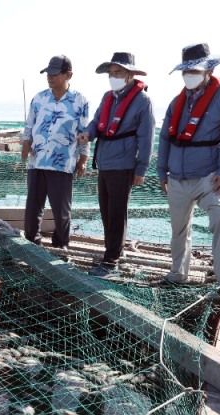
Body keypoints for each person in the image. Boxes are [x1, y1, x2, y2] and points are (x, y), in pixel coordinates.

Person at [156, 43, 220, 307]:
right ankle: (177, 274)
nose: (189, 75)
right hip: (177, 177)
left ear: (209, 70)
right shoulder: (176, 102)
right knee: (179, 229)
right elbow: (164, 138)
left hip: (208, 177)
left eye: (194, 70)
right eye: (186, 71)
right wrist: (162, 171)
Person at [79, 52, 155, 278]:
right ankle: (112, 253)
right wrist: (88, 134)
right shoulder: (107, 96)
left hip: (123, 164)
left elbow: (147, 138)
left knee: (117, 213)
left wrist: (141, 169)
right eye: (111, 73)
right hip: (104, 162)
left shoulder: (143, 101)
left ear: (131, 74)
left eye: (118, 72)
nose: (113, 77)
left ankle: (111, 261)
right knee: (106, 211)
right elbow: (96, 122)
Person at [21, 55, 90, 250]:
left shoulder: (80, 101)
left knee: (61, 210)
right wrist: (26, 142)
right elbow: (29, 126)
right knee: (33, 207)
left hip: (63, 162)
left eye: (54, 73)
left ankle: (61, 246)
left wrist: (83, 159)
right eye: (48, 73)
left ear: (69, 74)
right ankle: (31, 242)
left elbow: (84, 132)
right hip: (37, 161)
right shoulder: (39, 98)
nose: (50, 77)